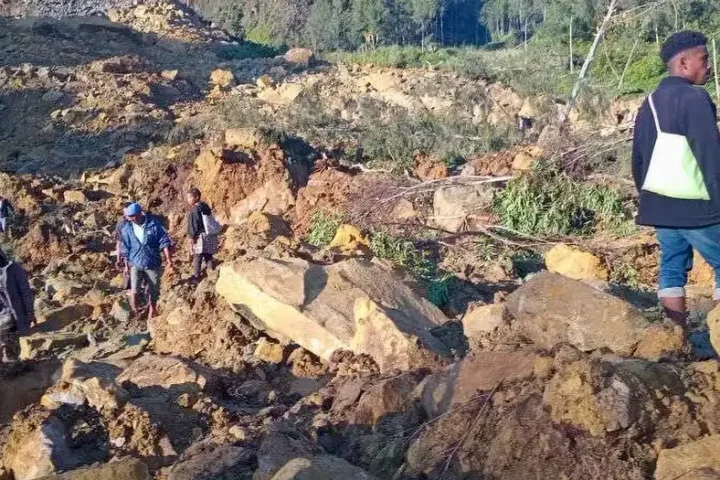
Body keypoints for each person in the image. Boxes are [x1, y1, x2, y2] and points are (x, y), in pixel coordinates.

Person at [632, 31, 720, 327]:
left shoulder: (651, 101)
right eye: (704, 59)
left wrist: (650, 200)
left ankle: (675, 339)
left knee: (672, 268)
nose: (708, 66)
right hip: (697, 206)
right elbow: (710, 154)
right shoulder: (695, 97)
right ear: (684, 62)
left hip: (660, 204)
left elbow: (639, 158)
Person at [118, 203, 174, 319]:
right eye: (129, 216)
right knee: (134, 288)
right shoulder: (127, 229)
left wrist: (168, 260)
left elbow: (163, 241)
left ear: (140, 213)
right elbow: (125, 248)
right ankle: (134, 310)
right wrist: (126, 266)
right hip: (135, 262)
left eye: (133, 216)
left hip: (152, 262)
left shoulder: (153, 225)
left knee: (154, 289)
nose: (131, 219)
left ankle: (152, 309)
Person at [0, 249, 35, 363]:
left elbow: (26, 292)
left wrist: (29, 312)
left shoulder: (13, 269)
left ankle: (12, 363)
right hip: (3, 314)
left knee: (10, 340)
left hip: (14, 314)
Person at [186, 188, 219, 283]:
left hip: (200, 236)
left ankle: (196, 277)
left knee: (197, 256)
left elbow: (194, 225)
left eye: (189, 197)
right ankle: (211, 271)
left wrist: (192, 237)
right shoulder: (204, 206)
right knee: (208, 254)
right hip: (209, 234)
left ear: (196, 197)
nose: (188, 200)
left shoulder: (194, 209)